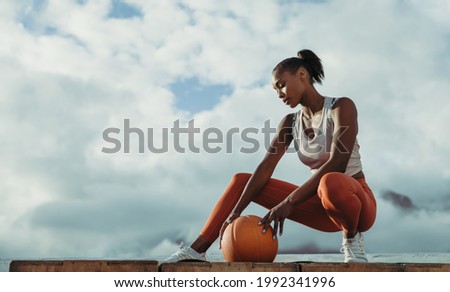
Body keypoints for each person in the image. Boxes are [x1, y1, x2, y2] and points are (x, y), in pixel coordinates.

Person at [164, 49, 377, 263]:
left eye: (281, 84)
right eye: (276, 90)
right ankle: (196, 251)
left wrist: (289, 202)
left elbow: (338, 163)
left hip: (355, 204)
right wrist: (235, 212)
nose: (280, 94)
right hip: (320, 206)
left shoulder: (341, 107)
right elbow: (266, 167)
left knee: (330, 181)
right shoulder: (290, 123)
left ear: (302, 75)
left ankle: (351, 239)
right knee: (242, 180)